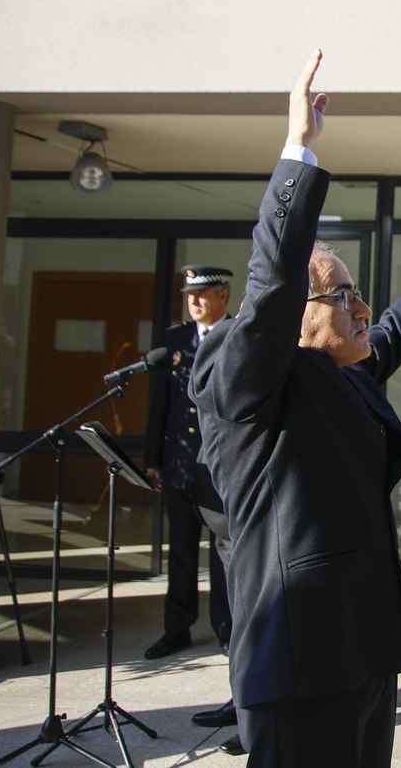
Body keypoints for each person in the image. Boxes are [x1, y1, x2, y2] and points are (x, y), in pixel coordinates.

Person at [193, 50, 401, 768]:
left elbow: (391, 331)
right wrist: (298, 149)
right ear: (295, 316)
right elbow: (271, 285)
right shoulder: (248, 378)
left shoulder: (343, 373)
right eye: (344, 296)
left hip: (364, 649)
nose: (362, 307)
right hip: (301, 659)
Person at [143, 264, 233, 661]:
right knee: (179, 552)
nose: (194, 301)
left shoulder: (237, 336)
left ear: (223, 295)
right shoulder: (175, 341)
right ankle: (176, 629)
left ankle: (227, 630)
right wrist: (153, 460)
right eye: (189, 296)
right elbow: (159, 404)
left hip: (219, 468)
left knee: (223, 554)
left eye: (201, 294)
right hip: (180, 464)